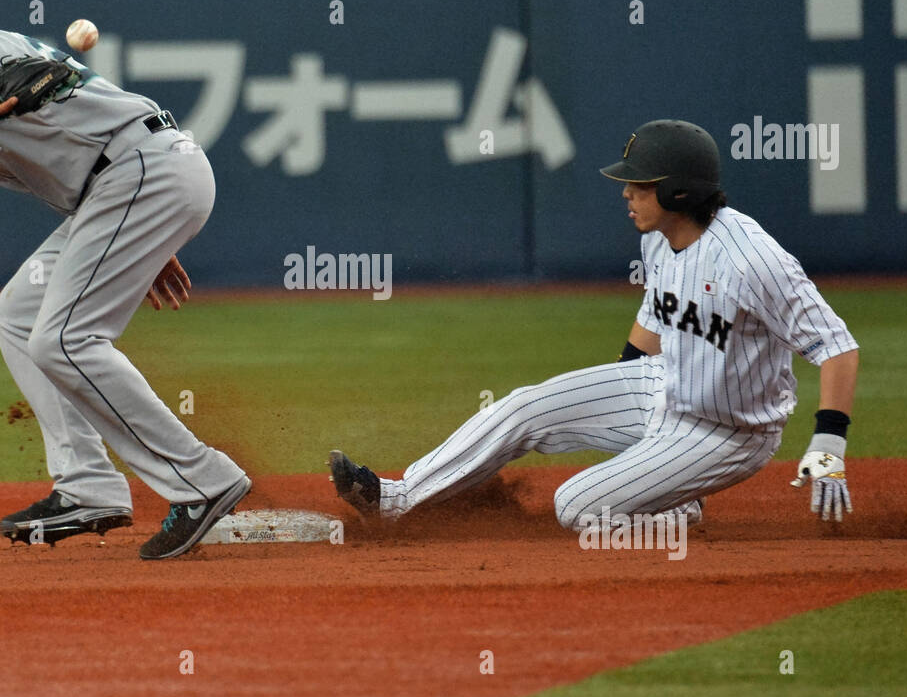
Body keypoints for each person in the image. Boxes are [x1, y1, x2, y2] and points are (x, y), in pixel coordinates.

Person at [0, 12, 251, 559]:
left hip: (142, 167)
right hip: (124, 185)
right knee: (17, 315)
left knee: (63, 340)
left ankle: (202, 480)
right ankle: (88, 486)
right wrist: (145, 239)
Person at [329, 119, 860, 529]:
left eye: (639, 184)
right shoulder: (659, 236)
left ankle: (678, 510)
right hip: (662, 384)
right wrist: (616, 393)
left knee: (575, 506)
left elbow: (836, 346)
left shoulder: (752, 260)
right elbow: (655, 318)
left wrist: (829, 445)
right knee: (522, 407)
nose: (625, 193)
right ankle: (397, 499)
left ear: (678, 192)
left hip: (727, 431)